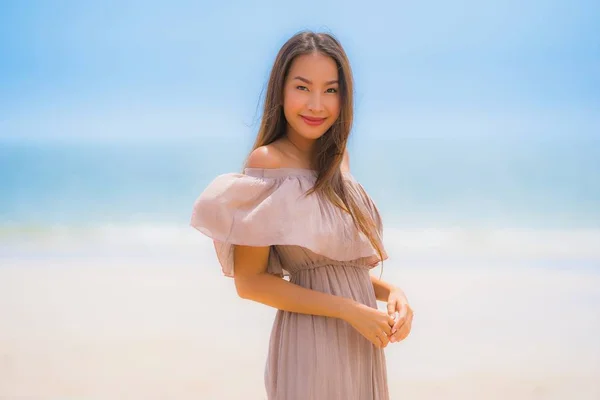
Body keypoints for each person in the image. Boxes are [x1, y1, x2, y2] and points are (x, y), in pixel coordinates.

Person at [190, 30, 414, 400]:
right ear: (281, 90)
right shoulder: (268, 163)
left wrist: (393, 292)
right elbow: (251, 282)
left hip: (361, 343)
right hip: (312, 343)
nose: (316, 104)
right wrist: (348, 310)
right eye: (302, 87)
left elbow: (335, 267)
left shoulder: (337, 162)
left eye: (330, 90)